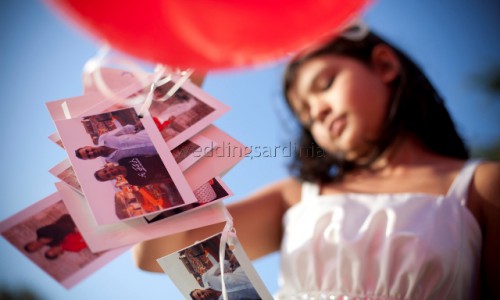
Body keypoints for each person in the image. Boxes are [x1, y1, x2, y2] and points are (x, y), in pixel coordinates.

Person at [132, 22, 500, 299]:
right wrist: (171, 114)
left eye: (324, 84)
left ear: (384, 65)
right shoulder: (298, 196)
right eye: (305, 113)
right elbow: (156, 253)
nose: (318, 112)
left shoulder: (483, 185)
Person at [75, 124, 157, 163]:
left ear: (87, 146)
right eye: (89, 156)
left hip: (150, 134)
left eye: (87, 151)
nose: (91, 153)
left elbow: (126, 129)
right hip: (155, 150)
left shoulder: (104, 138)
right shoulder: (113, 160)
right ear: (92, 159)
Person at [94, 154, 172, 186]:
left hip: (165, 156)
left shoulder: (123, 159)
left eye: (105, 171)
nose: (110, 172)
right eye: (108, 175)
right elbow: (159, 181)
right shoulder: (133, 181)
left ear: (106, 167)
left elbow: (145, 153)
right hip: (169, 171)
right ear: (111, 178)